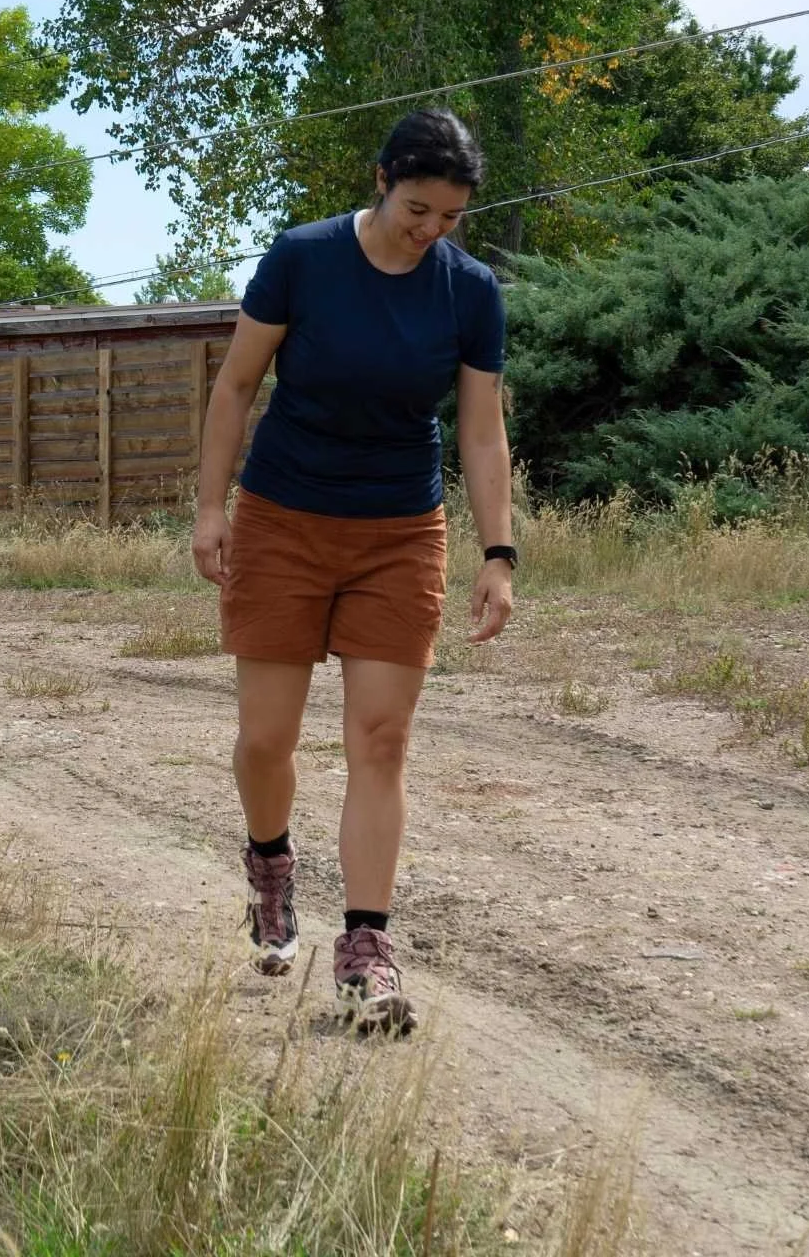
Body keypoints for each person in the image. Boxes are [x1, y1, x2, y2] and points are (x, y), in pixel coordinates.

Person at [191, 107, 517, 1036]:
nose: (431, 231)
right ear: (382, 180)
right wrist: (213, 510)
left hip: (399, 532)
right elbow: (236, 385)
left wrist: (498, 553)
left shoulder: (470, 291)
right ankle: (270, 867)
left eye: (449, 218)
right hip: (283, 519)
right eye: (419, 209)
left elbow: (482, 430)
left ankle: (365, 953)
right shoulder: (303, 258)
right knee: (267, 740)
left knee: (380, 741)